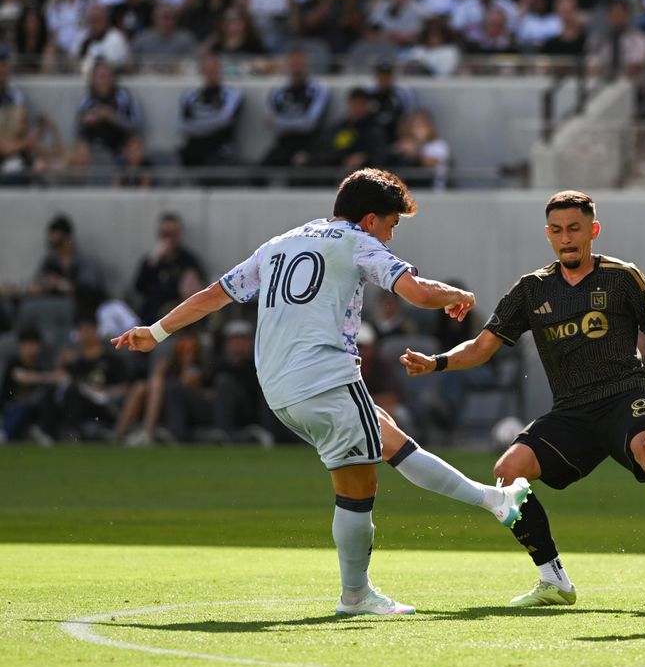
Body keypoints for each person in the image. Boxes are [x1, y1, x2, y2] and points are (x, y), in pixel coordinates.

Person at [112, 168, 531, 616]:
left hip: (279, 386)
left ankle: (494, 501)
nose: (390, 236)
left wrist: (155, 332)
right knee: (358, 483)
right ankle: (355, 595)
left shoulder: (279, 244)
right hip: (323, 377)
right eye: (391, 224)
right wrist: (456, 293)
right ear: (369, 219)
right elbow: (415, 292)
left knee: (386, 435)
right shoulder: (358, 242)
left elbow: (215, 295)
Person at [401, 190, 645, 607]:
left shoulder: (623, 277)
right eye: (557, 230)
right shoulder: (531, 290)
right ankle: (553, 579)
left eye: (574, 229)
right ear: (548, 235)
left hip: (625, 396)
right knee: (508, 472)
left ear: (593, 230)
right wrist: (436, 363)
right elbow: (482, 347)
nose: (566, 238)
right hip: (571, 411)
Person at [178, 53, 244, 168]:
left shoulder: (233, 94)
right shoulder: (190, 95)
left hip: (220, 145)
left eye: (214, 69)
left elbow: (226, 119)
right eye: (208, 69)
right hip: (194, 145)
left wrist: (196, 123)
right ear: (202, 71)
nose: (211, 73)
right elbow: (182, 124)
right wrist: (212, 123)